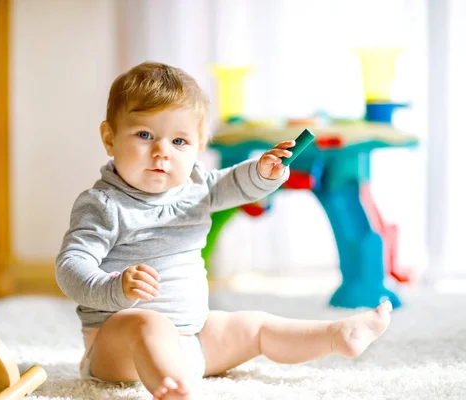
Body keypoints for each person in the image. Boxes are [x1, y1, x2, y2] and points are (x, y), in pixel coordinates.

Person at [55, 61, 392, 400]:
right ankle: (170, 388)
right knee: (148, 323)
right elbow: (71, 267)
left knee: (253, 326)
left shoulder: (195, 186)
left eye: (179, 141)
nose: (162, 151)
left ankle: (337, 336)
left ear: (199, 146)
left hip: (194, 341)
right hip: (116, 349)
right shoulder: (104, 204)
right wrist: (114, 287)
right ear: (109, 137)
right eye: (145, 135)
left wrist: (262, 173)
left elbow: (232, 183)